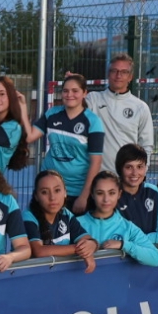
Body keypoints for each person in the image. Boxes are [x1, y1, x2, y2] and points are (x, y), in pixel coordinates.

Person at [42, 74, 105, 213]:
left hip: (76, 191)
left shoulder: (93, 122)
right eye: (65, 91)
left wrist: (84, 196)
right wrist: (20, 108)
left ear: (84, 93)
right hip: (51, 189)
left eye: (75, 91)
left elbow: (96, 161)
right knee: (46, 232)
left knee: (77, 233)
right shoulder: (52, 114)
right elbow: (29, 136)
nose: (69, 94)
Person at [86, 53, 155, 174]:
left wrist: (140, 173)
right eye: (114, 71)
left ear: (130, 77)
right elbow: (74, 111)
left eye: (124, 72)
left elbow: (146, 146)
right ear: (108, 74)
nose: (118, 75)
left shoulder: (140, 107)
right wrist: (74, 83)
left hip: (126, 179)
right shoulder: (93, 99)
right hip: (97, 177)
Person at [77, 171, 158, 266]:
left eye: (112, 193)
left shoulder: (127, 227)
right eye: (100, 193)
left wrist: (123, 245)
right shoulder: (76, 223)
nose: (106, 199)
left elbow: (155, 258)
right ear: (92, 194)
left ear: (119, 194)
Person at [23, 169, 97, 272]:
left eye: (57, 190)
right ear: (36, 196)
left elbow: (87, 239)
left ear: (65, 193)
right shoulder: (29, 217)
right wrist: (79, 249)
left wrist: (92, 245)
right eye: (44, 192)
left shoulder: (66, 214)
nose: (52, 197)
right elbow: (39, 251)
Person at [113, 143, 158, 236]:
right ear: (120, 169)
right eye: (129, 167)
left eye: (139, 167)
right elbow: (127, 239)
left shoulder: (153, 192)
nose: (135, 173)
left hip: (149, 249)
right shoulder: (111, 195)